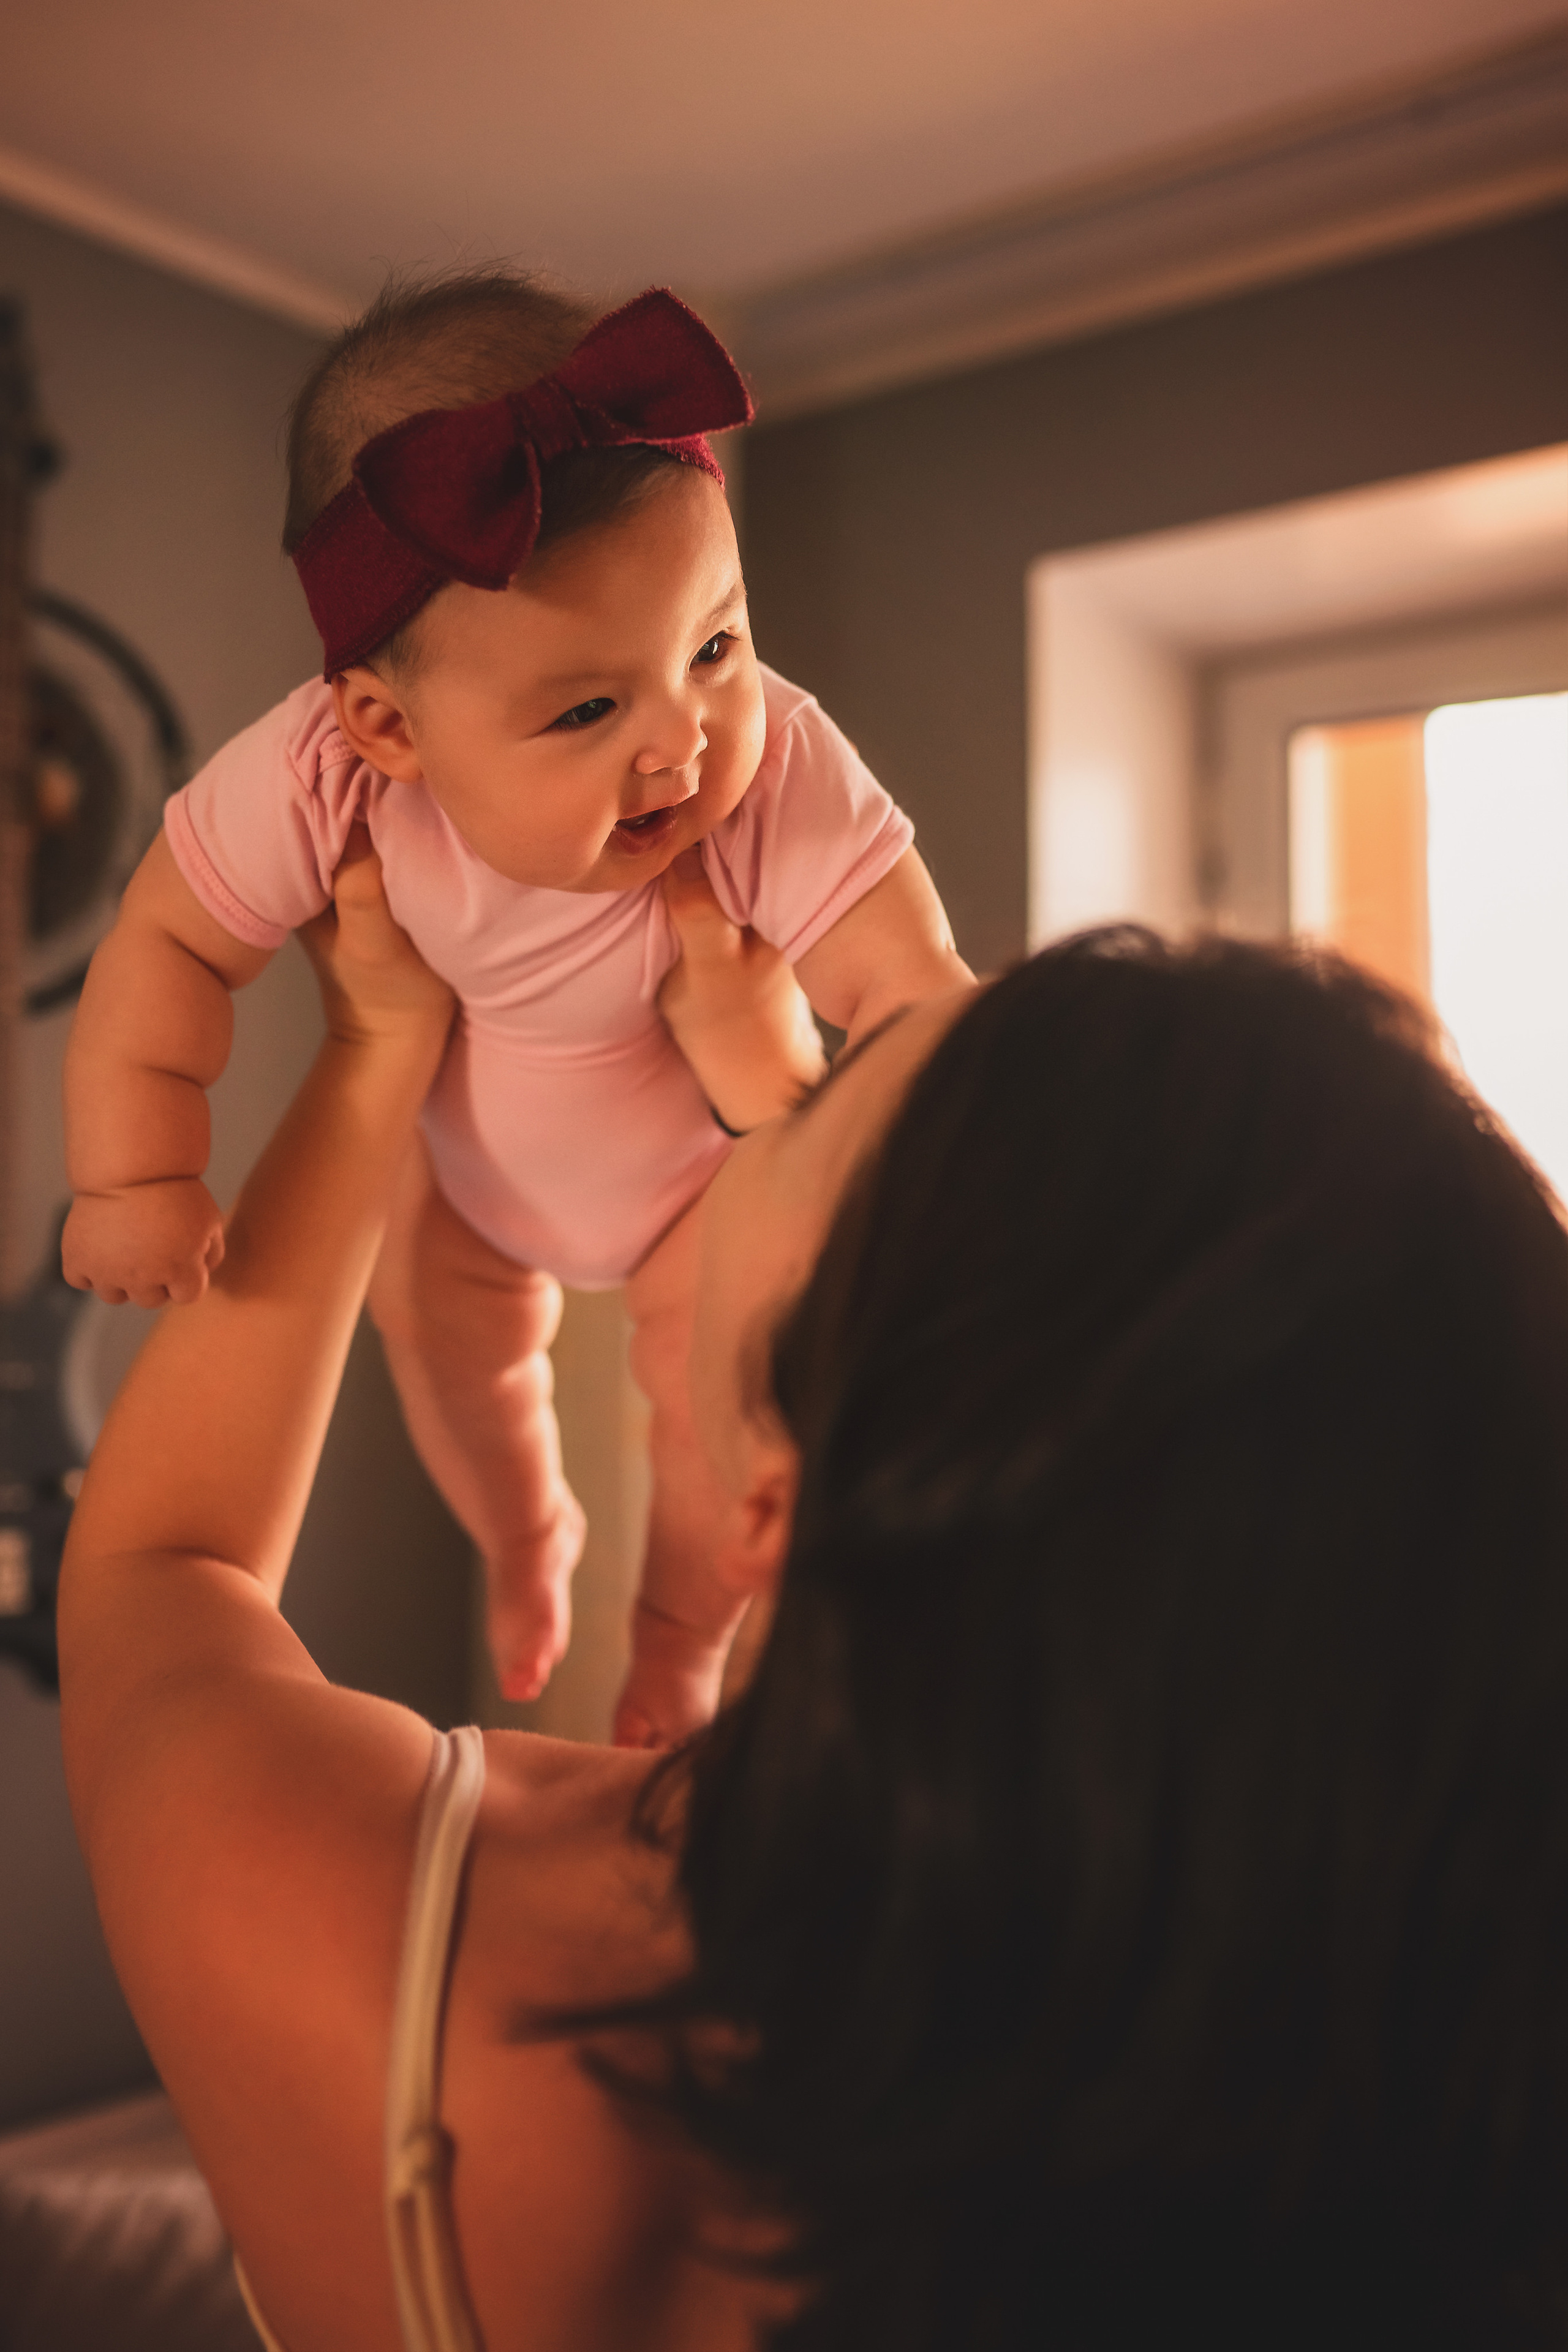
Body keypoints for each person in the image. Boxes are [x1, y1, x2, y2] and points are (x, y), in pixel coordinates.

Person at [61, 848, 1568, 2351]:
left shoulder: (390, 1938)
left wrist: (373, 1048)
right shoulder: (1437, 2160)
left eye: (807, 1104)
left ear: (777, 1507)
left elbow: (161, 1566)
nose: (761, 1073)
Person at [58, 269, 971, 1747]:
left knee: (720, 1410)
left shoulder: (779, 768)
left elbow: (914, 990)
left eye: (714, 647)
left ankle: (674, 1633)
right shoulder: (315, 778)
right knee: (445, 1351)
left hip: (696, 1191)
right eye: (586, 710)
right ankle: (525, 1528)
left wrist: (930, 1145)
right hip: (467, 1190)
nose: (681, 745)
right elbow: (165, 945)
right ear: (388, 726)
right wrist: (138, 1173)